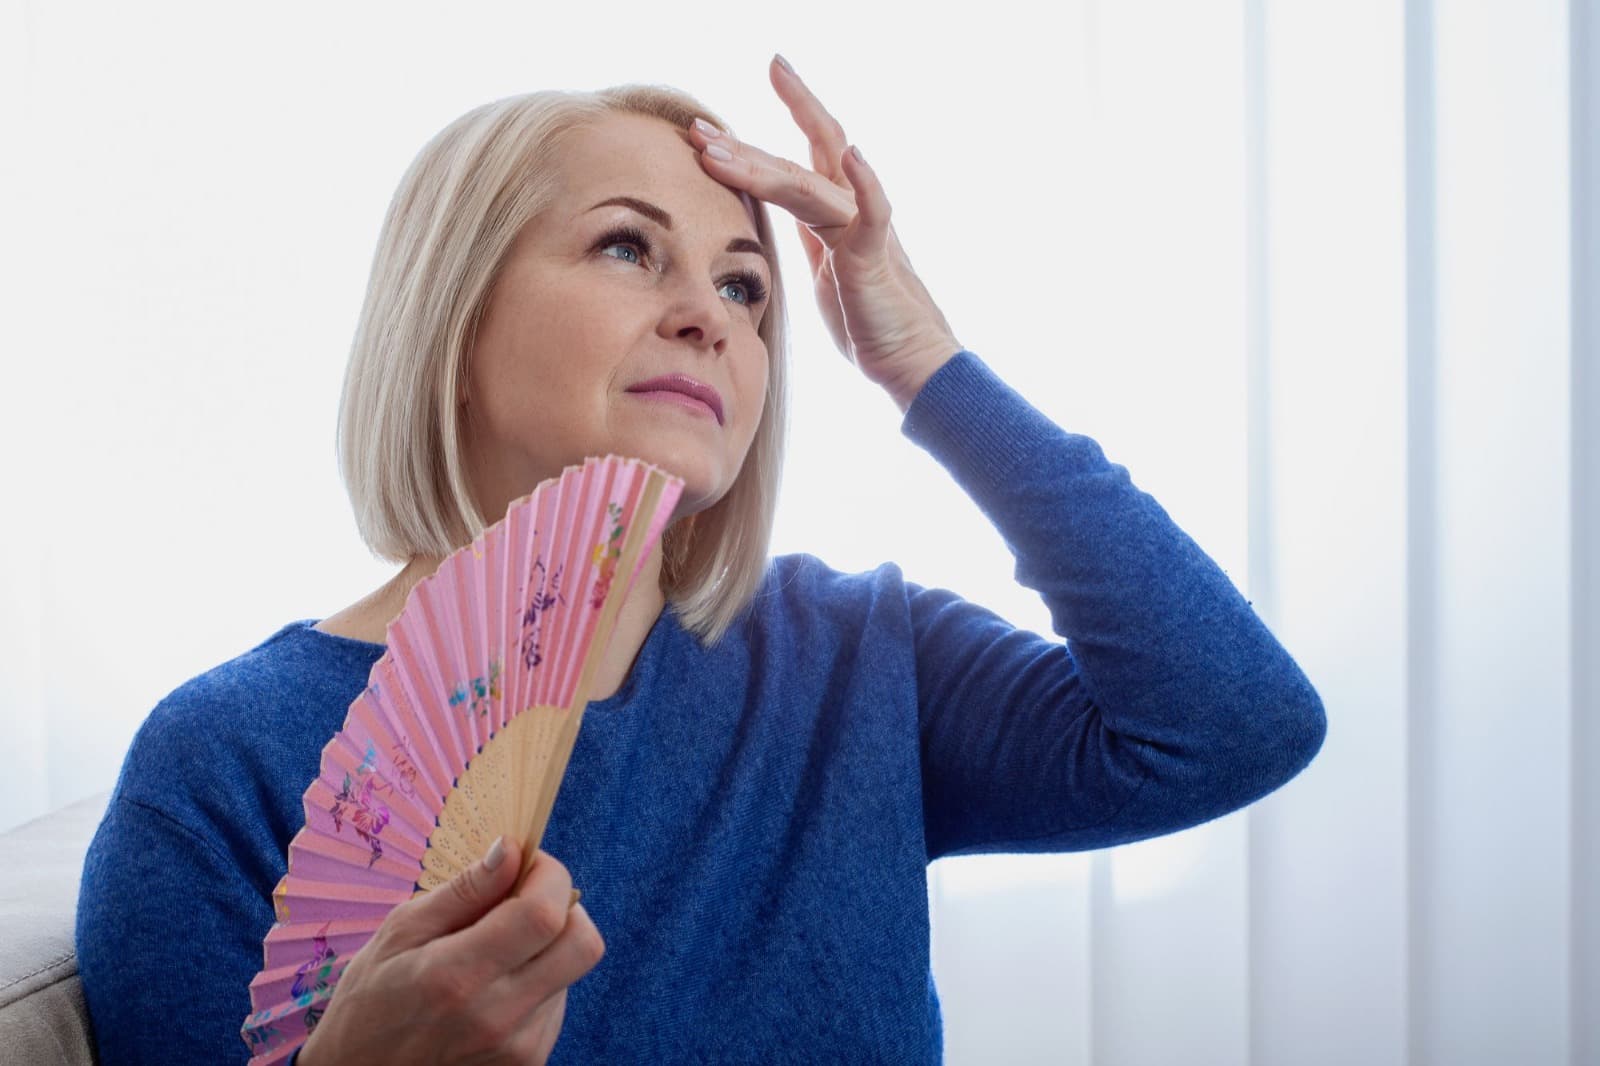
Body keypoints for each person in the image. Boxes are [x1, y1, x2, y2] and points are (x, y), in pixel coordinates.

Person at [74, 53, 1327, 1065]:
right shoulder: (222, 763)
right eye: (627, 247)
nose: (709, 316)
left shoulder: (853, 661)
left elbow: (1234, 724)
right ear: (452, 316)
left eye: (746, 290)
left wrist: (922, 361)